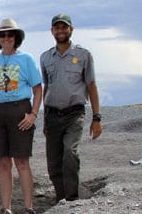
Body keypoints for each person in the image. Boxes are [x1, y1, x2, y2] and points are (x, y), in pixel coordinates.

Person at [40, 13, 102, 203]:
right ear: (52, 31)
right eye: (57, 28)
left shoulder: (83, 55)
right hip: (52, 115)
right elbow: (47, 87)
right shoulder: (45, 57)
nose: (60, 31)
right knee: (53, 161)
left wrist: (97, 118)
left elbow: (91, 85)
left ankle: (72, 198)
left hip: (74, 113)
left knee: (70, 153)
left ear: (71, 29)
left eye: (63, 27)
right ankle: (61, 198)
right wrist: (44, 120)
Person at [0, 18, 43, 214]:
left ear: (16, 37)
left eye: (10, 35)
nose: (6, 38)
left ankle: (28, 207)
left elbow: (37, 89)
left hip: (20, 109)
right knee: (3, 161)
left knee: (21, 160)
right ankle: (6, 208)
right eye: (2, 35)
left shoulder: (26, 59)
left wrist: (33, 114)